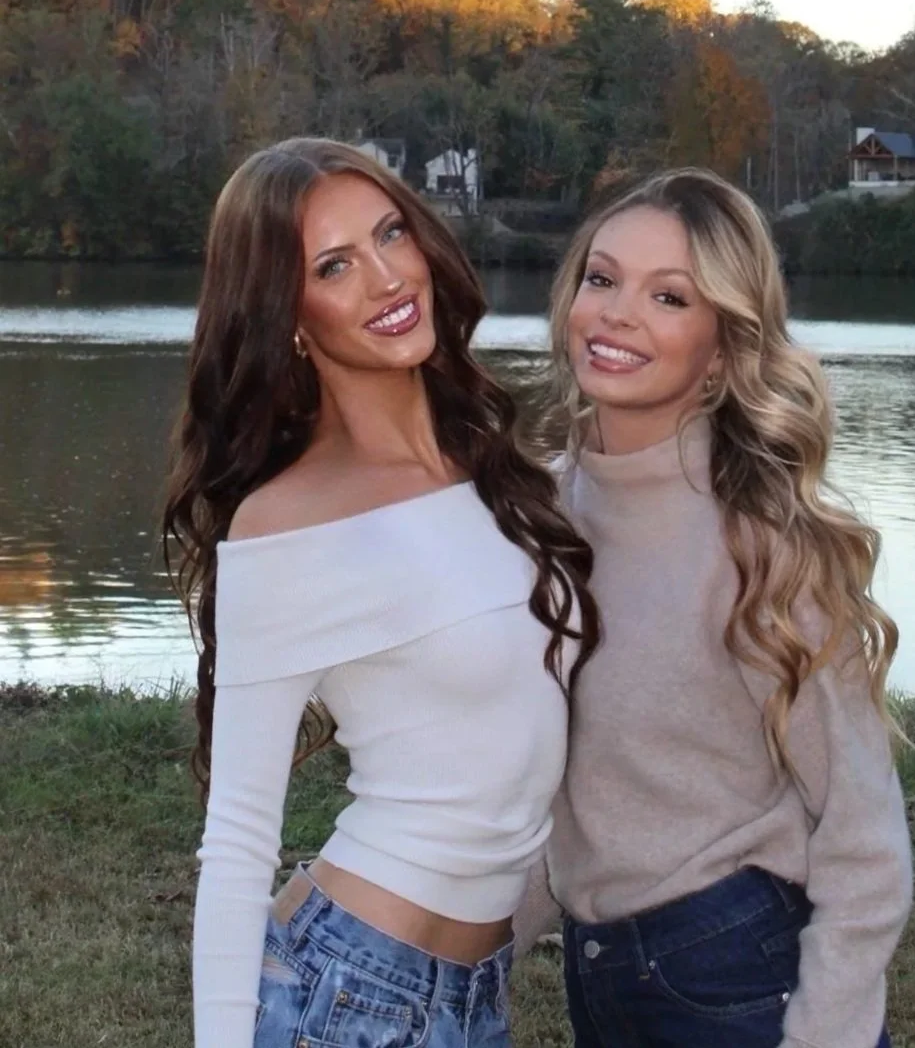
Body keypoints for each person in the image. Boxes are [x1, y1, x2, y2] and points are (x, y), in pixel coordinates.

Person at [163, 138, 599, 1048]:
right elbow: (239, 839)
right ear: (289, 313)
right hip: (348, 988)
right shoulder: (286, 523)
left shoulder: (494, 467)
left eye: (390, 233)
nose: (386, 277)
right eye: (334, 265)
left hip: (479, 984)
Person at [514, 166, 912, 1048]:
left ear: (723, 349)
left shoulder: (761, 545)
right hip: (600, 975)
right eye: (601, 278)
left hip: (737, 979)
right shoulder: (539, 514)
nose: (614, 313)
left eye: (668, 297)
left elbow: (865, 840)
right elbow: (568, 788)